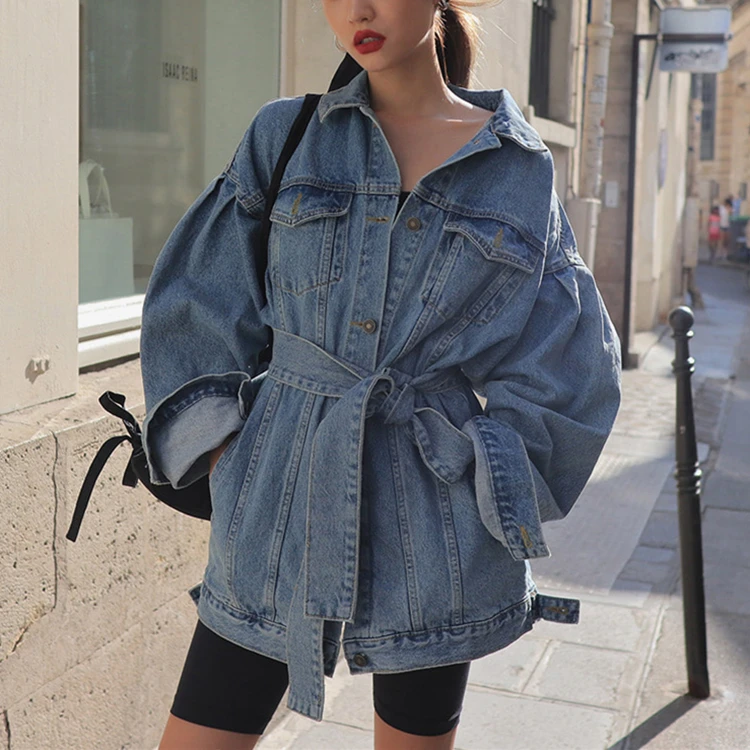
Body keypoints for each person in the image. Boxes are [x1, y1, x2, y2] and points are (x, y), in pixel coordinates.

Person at [140, 1, 622, 748]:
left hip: (436, 522)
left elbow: (570, 363)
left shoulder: (516, 166)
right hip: (276, 504)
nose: (357, 10)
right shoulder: (288, 134)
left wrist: (485, 482)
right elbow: (198, 300)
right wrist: (227, 452)